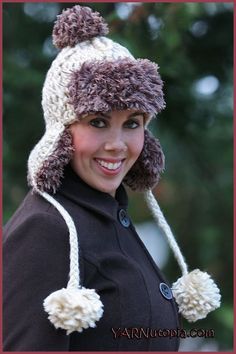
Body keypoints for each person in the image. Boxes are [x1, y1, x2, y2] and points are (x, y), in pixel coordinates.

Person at [3, 5, 221, 351]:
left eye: (132, 123)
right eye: (98, 122)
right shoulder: (44, 230)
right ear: (62, 131)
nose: (117, 146)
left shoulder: (109, 215)